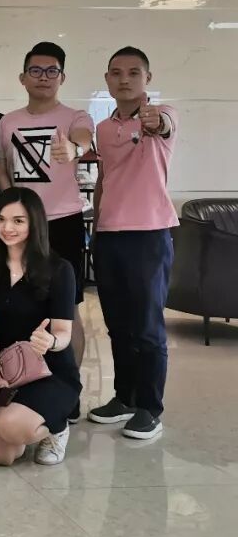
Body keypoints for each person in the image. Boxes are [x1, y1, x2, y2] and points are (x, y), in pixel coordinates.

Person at [0, 42, 94, 422]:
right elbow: (3, 169)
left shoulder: (74, 116)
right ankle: (21, 379)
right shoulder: (9, 122)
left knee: (68, 309)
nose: (43, 77)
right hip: (22, 226)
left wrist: (73, 148)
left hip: (63, 221)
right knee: (20, 305)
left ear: (62, 77)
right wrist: (13, 208)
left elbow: (83, 137)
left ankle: (69, 391)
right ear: (23, 78)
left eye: (52, 70)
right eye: (35, 70)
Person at [88, 47, 177, 440]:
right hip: (109, 235)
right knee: (117, 325)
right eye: (116, 73)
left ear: (147, 78)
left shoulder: (162, 114)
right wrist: (97, 227)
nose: (124, 79)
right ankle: (124, 398)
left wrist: (155, 121)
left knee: (147, 328)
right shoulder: (103, 128)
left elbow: (162, 126)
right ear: (107, 79)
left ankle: (149, 408)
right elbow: (105, 178)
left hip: (149, 234)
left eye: (134, 72)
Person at [0, 188, 80, 467]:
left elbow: (63, 332)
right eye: (1, 219)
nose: (7, 228)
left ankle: (57, 427)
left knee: (10, 426)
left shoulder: (60, 270)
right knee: (2, 456)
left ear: (35, 223)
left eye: (18, 221)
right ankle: (13, 421)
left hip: (48, 372)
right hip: (6, 371)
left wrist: (50, 342)